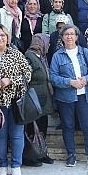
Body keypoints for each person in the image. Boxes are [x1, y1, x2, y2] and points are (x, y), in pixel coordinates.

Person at [50, 23, 88, 168]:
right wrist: (69, 82)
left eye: (72, 34)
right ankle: (71, 155)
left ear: (77, 37)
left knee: (87, 126)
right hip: (65, 97)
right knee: (68, 126)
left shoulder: (84, 52)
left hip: (84, 95)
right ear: (62, 37)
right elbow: (53, 77)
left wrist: (86, 79)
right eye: (66, 34)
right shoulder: (57, 55)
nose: (70, 37)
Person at [0, 24, 31, 175]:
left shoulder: (16, 54)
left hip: (15, 101)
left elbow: (27, 75)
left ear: (7, 37)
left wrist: (10, 80)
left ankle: (16, 166)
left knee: (17, 135)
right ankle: (1, 166)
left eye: (3, 35)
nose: (0, 38)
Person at [23, 33, 55, 166]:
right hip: (34, 100)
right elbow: (26, 78)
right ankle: (30, 157)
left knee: (42, 128)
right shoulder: (29, 57)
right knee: (32, 129)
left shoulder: (41, 57)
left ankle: (41, 153)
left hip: (43, 99)